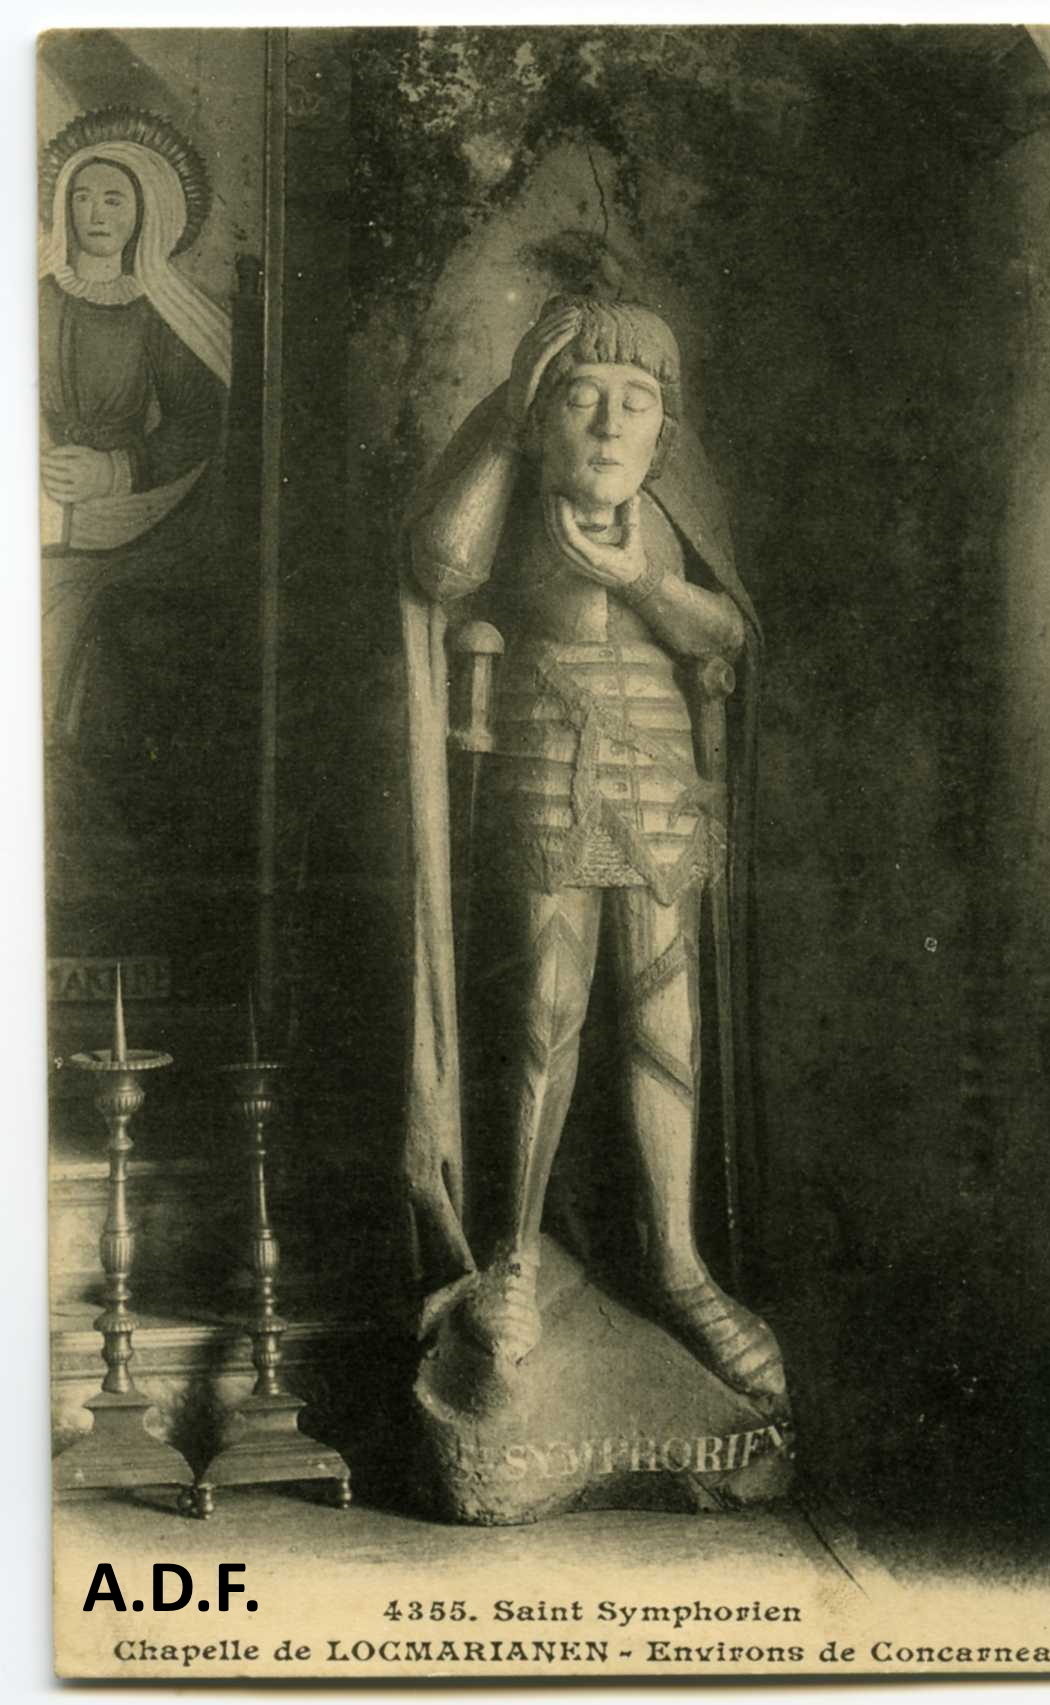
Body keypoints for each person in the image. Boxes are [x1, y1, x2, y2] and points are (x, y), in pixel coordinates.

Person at [401, 295, 784, 1400]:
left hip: (658, 768)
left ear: (666, 427)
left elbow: (727, 630)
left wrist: (643, 582)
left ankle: (677, 1260)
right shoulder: (514, 498)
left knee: (666, 1018)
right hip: (542, 749)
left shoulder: (664, 513)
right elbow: (440, 567)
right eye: (580, 398)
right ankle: (515, 1255)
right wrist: (501, 433)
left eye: (637, 401)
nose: (612, 426)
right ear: (538, 414)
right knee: (544, 1009)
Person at [38, 108, 231, 739]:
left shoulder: (157, 315)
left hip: (129, 518)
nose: (94, 214)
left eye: (113, 199)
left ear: (145, 211)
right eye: (83, 197)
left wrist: (115, 471)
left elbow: (199, 421)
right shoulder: (31, 297)